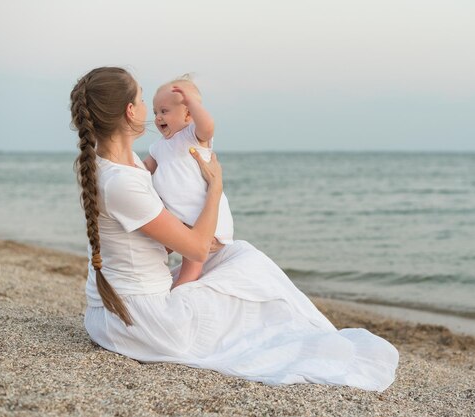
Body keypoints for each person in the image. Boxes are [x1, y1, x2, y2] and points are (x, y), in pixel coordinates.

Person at [69, 66, 398, 391]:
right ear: (130, 111)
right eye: (142, 100)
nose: (148, 109)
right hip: (141, 321)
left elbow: (143, 241)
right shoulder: (122, 181)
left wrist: (186, 233)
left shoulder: (121, 167)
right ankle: (317, 336)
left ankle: (312, 332)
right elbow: (196, 249)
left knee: (239, 259)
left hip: (119, 309)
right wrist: (215, 186)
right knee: (248, 273)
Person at [143, 76, 233, 289]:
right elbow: (144, 169)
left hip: (201, 220)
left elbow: (208, 126)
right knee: (152, 247)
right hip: (179, 219)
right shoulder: (158, 146)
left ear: (188, 114)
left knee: (191, 264)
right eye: (155, 112)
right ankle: (153, 282)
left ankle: (181, 293)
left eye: (164, 111)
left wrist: (193, 102)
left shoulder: (192, 136)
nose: (158, 118)